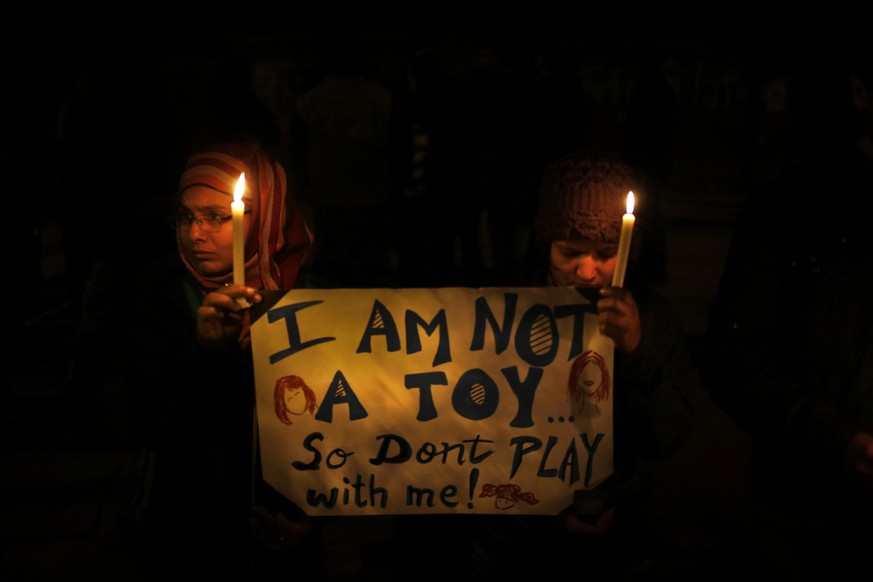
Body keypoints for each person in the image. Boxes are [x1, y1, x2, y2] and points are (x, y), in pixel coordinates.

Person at [469, 148, 696, 577]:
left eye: (607, 252)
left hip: (620, 539)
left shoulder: (650, 317)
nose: (588, 270)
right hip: (513, 545)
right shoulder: (499, 311)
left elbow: (669, 436)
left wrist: (636, 353)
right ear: (545, 244)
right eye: (570, 251)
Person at [698, 30, 873, 578]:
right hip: (807, 516)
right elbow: (732, 358)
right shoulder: (789, 210)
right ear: (862, 91)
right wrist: (837, 440)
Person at [120, 141, 321, 580]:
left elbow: (347, 426)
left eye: (217, 217)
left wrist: (315, 519)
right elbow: (147, 421)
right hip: (188, 522)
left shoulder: (315, 294)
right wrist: (207, 349)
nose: (195, 234)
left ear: (268, 215)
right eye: (187, 217)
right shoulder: (158, 294)